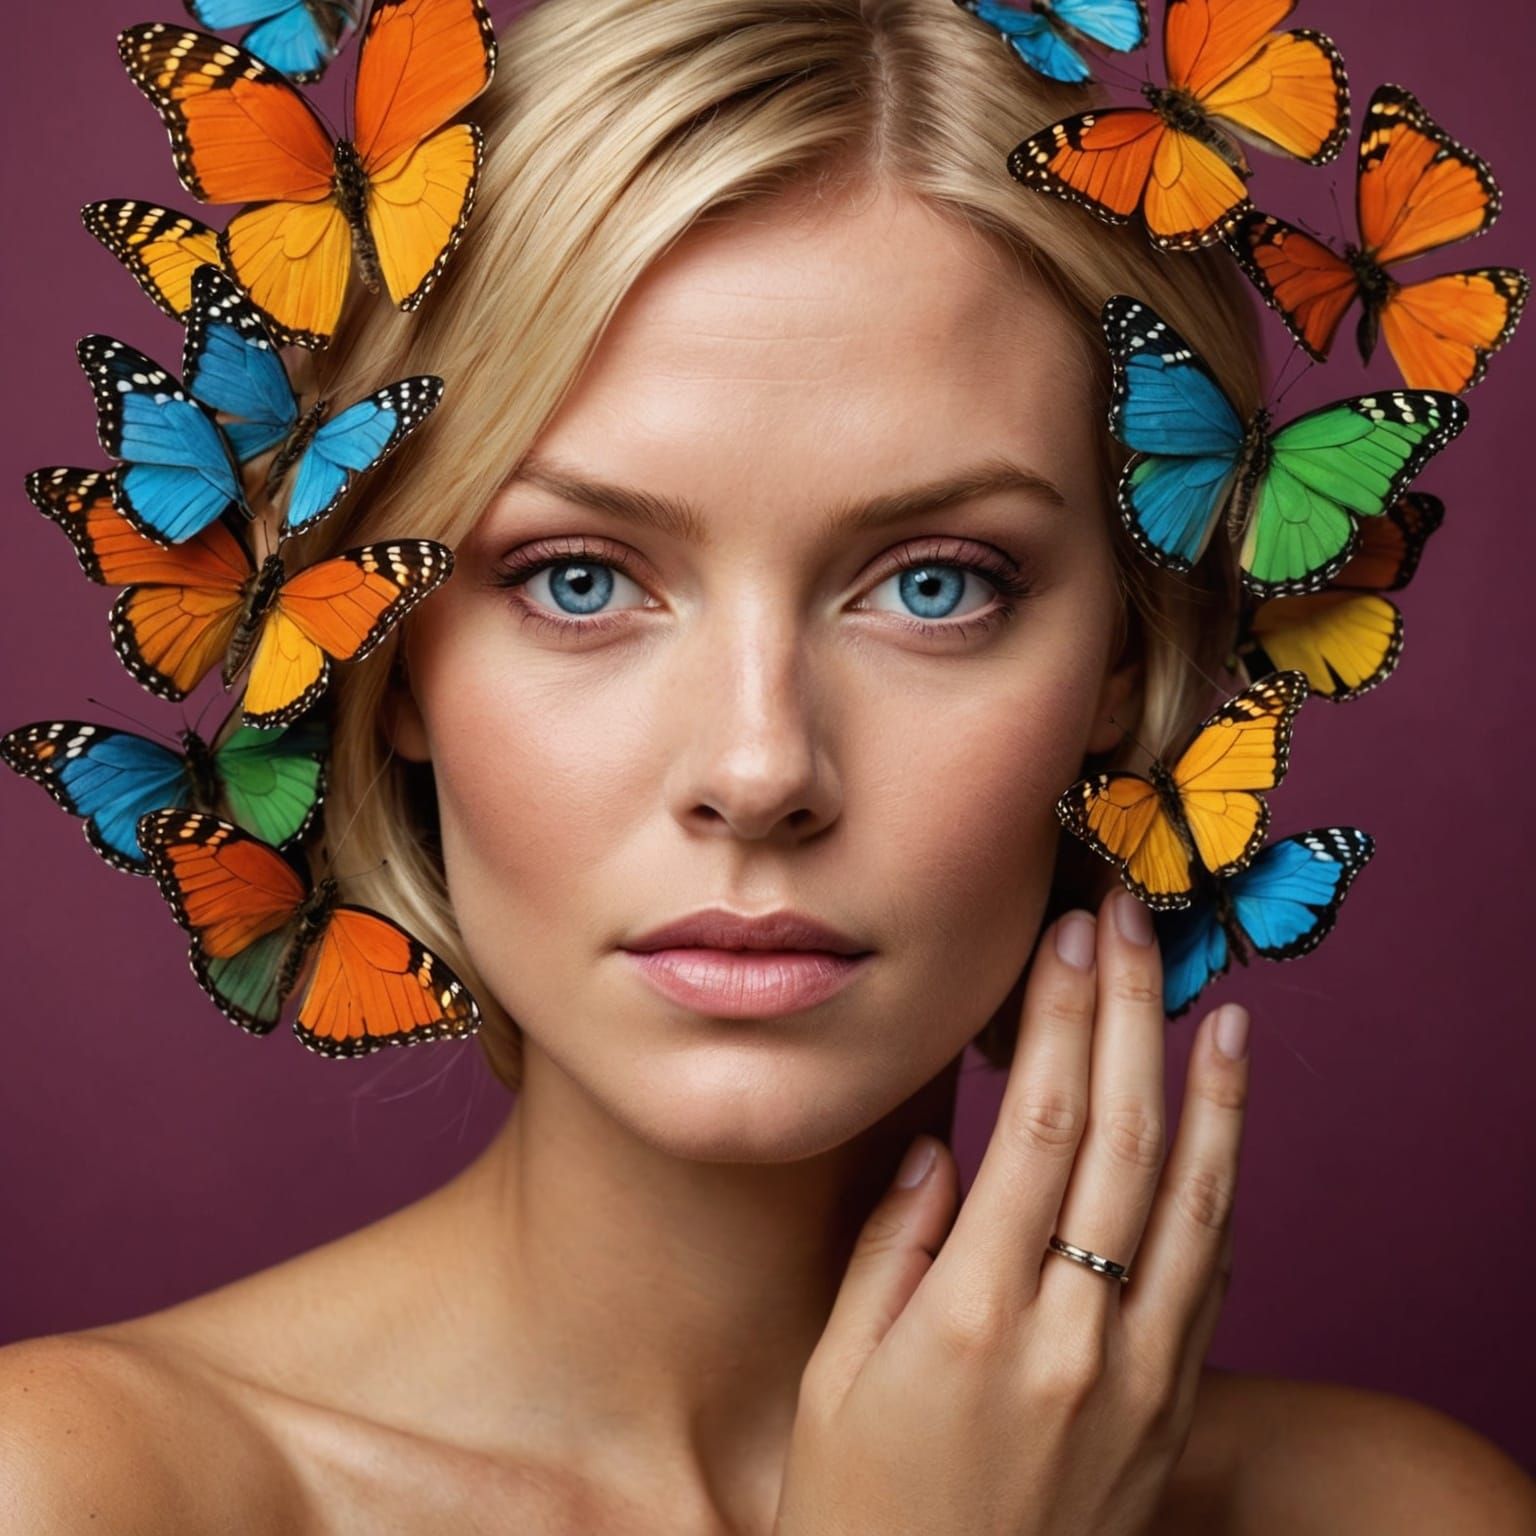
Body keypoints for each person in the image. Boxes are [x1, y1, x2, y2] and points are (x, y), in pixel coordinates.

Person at [3, 1, 1532, 1529]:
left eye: (936, 583)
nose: (757, 767)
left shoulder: (1400, 1514)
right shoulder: (84, 1490)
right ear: (388, 649)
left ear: (1129, 657)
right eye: (579, 578)